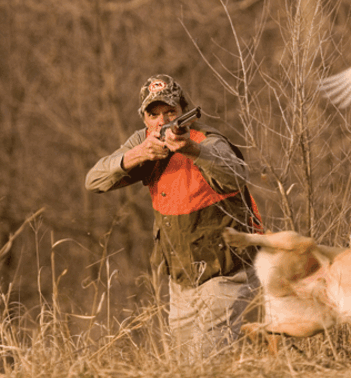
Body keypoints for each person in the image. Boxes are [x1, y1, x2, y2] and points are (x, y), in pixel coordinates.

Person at [85, 74, 261, 358]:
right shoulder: (143, 143)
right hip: (182, 276)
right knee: (183, 362)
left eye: (170, 112)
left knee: (206, 360)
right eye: (153, 114)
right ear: (144, 119)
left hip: (226, 270)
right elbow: (93, 181)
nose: (161, 120)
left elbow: (238, 174)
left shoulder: (207, 140)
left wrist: (192, 150)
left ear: (184, 113)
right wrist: (137, 155)